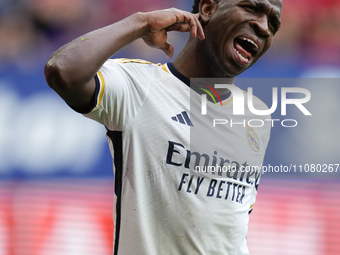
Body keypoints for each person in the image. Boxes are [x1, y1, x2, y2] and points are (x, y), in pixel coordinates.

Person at [44, 0, 282, 254]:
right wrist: (141, 22)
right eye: (251, 8)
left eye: (273, 23)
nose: (265, 28)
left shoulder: (257, 116)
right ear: (208, 8)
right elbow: (63, 70)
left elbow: (230, 227)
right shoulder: (139, 86)